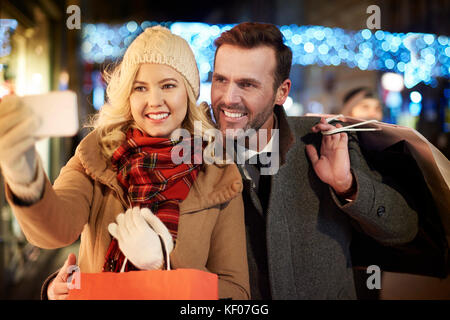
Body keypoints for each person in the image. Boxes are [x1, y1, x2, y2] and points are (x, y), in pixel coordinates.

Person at [0, 26, 249, 300]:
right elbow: (54, 231)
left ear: (188, 93)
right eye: (140, 88)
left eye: (168, 85)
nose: (154, 101)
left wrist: (163, 267)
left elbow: (236, 295)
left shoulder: (219, 174)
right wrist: (24, 175)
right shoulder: (96, 156)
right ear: (128, 96)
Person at [210, 22, 419, 299]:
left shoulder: (324, 141)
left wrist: (347, 185)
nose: (228, 98)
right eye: (220, 79)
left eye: (247, 84)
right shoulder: (197, 152)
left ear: (282, 92)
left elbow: (404, 228)